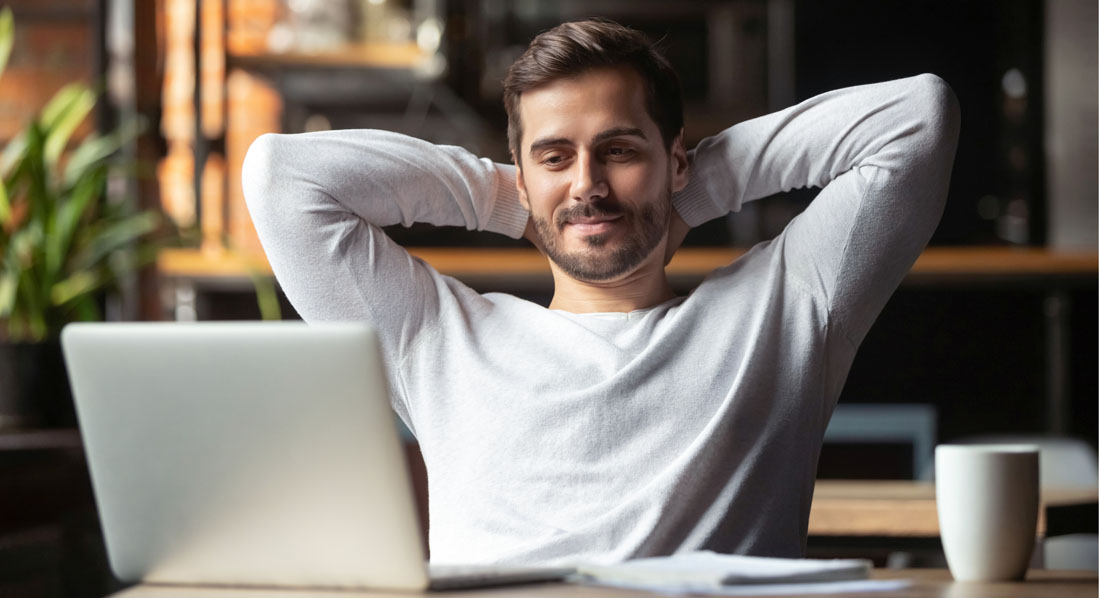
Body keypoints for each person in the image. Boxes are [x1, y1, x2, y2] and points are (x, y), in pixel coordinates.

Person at [242, 19, 960, 566]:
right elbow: (283, 180)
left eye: (619, 151)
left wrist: (690, 192)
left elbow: (917, 121)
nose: (587, 183)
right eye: (556, 157)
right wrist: (511, 199)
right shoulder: (433, 337)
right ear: (521, 174)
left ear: (674, 159)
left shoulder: (785, 307)